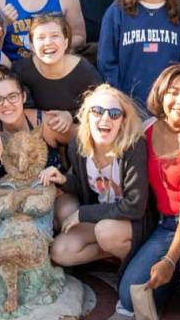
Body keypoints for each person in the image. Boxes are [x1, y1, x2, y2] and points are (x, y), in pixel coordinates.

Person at [117, 65, 180, 316]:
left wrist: (169, 259)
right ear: (161, 95)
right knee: (130, 299)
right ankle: (178, 275)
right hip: (165, 226)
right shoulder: (144, 130)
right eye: (173, 92)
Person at [39, 85, 150, 281]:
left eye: (114, 113)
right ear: (87, 116)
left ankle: (133, 255)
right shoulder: (79, 146)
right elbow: (87, 188)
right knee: (60, 251)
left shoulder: (133, 147)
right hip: (104, 215)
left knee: (105, 232)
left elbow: (135, 206)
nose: (105, 118)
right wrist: (64, 180)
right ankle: (113, 253)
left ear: (123, 120)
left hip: (132, 221)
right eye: (97, 111)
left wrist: (83, 214)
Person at [98, 0, 180, 105]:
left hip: (168, 107)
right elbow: (106, 61)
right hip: (127, 105)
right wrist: (120, 100)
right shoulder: (118, 11)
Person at [0, 66, 66, 208]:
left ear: (23, 97)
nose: (6, 104)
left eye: (12, 96)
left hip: (51, 192)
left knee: (66, 209)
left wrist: (66, 179)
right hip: (13, 195)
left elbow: (82, 142)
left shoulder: (44, 122)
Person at [15, 14, 102, 140]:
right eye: (41, 38)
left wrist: (71, 115)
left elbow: (102, 106)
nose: (48, 42)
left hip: (78, 139)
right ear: (32, 46)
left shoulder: (83, 70)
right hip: (37, 139)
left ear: (66, 42)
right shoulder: (22, 70)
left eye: (54, 36)